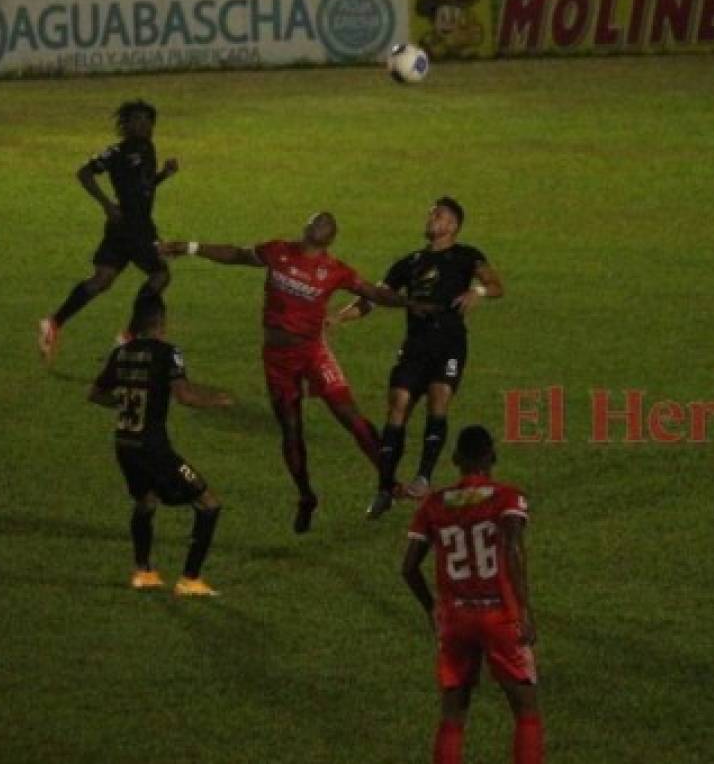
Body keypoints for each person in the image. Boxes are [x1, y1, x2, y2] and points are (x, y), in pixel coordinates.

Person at [159, 212, 436, 534]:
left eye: (326, 223)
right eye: (316, 220)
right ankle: (306, 496)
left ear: (330, 238)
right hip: (278, 359)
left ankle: (388, 482)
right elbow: (237, 254)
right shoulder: (278, 251)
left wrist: (407, 303)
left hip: (313, 352)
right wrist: (192, 247)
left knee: (350, 415)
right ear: (305, 227)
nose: (320, 223)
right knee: (291, 429)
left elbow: (372, 293)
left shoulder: (335, 270)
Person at [329, 197, 503, 517]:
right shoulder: (409, 263)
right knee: (397, 406)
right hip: (415, 345)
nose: (431, 218)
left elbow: (495, 285)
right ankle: (385, 488)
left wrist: (476, 292)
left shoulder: (467, 256)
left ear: (452, 226)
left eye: (438, 215)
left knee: (439, 399)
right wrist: (338, 318)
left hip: (449, 344)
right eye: (431, 213)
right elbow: (374, 298)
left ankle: (423, 477)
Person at [402, 425, 542, 764]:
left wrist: (431, 608)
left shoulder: (434, 504)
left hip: (455, 619)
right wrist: (523, 610)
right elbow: (512, 548)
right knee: (526, 708)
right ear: (492, 456)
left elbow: (408, 568)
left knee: (452, 715)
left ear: (455, 460)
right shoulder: (507, 497)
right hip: (500, 615)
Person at [88, 294, 231, 597]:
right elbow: (184, 396)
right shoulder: (169, 352)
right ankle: (190, 580)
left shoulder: (121, 353)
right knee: (209, 503)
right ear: (160, 323)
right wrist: (218, 401)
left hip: (125, 444)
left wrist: (124, 399)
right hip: (154, 448)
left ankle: (143, 572)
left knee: (146, 501)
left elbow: (96, 394)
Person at [39, 99, 179, 363]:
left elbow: (143, 188)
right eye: (135, 120)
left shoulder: (148, 148)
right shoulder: (117, 152)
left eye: (147, 120)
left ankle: (53, 323)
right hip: (131, 225)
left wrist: (163, 175)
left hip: (129, 226)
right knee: (160, 274)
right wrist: (107, 205)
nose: (143, 124)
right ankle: (129, 336)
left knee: (102, 279)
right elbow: (83, 173)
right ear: (125, 125)